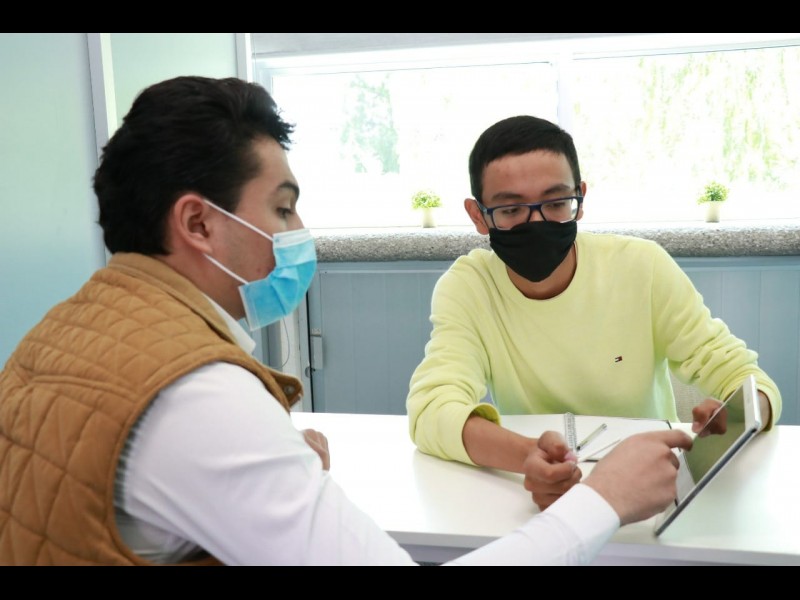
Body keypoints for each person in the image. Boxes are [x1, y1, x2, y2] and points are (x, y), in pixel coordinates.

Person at [0, 77, 692, 566]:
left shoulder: (63, 332)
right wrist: (603, 499)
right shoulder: (196, 395)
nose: (299, 230)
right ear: (199, 223)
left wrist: (267, 463)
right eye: (282, 207)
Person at [406, 115, 782, 511]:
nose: (537, 223)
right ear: (478, 215)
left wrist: (737, 416)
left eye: (556, 203)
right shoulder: (469, 287)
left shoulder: (641, 267)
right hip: (544, 498)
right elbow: (432, 411)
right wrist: (529, 457)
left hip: (650, 489)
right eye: (512, 209)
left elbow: (747, 378)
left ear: (580, 199)